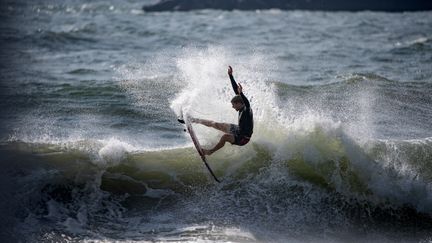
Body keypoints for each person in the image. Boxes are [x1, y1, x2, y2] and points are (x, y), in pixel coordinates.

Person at [193, 66, 253, 155]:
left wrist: (242, 93)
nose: (233, 107)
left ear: (239, 103)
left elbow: (247, 103)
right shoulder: (241, 102)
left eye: (234, 105)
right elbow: (236, 90)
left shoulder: (246, 109)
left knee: (225, 137)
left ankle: (210, 152)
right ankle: (194, 120)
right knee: (216, 124)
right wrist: (230, 76)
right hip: (238, 130)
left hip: (243, 138)